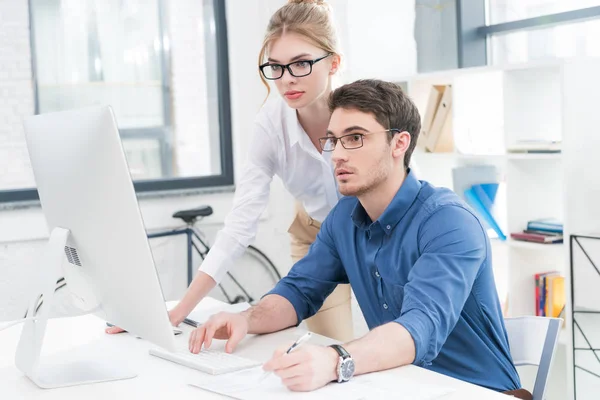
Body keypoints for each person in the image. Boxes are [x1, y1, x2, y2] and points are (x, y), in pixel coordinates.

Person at [186, 79, 529, 398]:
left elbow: (417, 328)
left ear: (399, 143)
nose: (337, 154)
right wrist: (245, 320)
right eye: (333, 140)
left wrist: (334, 360)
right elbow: (298, 292)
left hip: (476, 391)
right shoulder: (344, 219)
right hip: (400, 384)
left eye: (355, 137)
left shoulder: (449, 223)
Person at [106, 0, 354, 342]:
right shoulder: (270, 126)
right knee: (334, 349)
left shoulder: (363, 110)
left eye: (301, 64)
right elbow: (240, 225)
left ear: (334, 62)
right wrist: (180, 311)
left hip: (372, 231)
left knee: (399, 345)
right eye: (276, 67)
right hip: (317, 238)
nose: (287, 80)